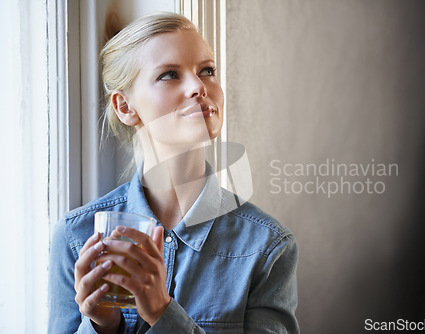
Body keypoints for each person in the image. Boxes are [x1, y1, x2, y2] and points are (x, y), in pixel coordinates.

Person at [48, 12, 299, 334]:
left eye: (206, 70)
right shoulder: (76, 236)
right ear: (125, 107)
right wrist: (102, 326)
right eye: (169, 75)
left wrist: (162, 312)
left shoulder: (267, 246)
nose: (198, 86)